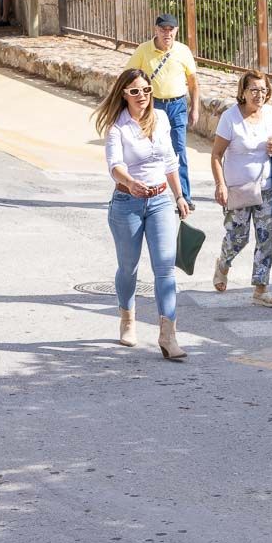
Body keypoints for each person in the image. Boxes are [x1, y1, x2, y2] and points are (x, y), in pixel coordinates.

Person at [93, 68, 191, 359]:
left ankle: (168, 335)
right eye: (135, 91)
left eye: (146, 90)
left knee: (165, 269)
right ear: (124, 94)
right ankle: (127, 319)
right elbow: (114, 165)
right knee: (129, 267)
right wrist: (130, 182)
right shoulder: (117, 127)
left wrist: (180, 195)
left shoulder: (160, 119)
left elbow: (171, 161)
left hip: (160, 199)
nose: (142, 96)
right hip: (127, 203)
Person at [210, 71, 272, 308]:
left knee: (266, 239)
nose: (259, 95)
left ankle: (260, 290)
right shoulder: (230, 118)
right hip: (238, 188)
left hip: (267, 187)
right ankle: (223, 263)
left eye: (263, 90)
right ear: (243, 92)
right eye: (253, 90)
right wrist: (220, 185)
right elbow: (216, 155)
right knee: (237, 237)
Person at [125, 14, 200, 209]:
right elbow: (128, 76)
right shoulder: (143, 50)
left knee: (178, 150)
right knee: (143, 149)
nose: (167, 33)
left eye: (171, 29)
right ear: (156, 30)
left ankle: (183, 196)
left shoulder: (183, 51)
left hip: (177, 105)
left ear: (176, 30)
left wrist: (195, 109)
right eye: (163, 29)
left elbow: (193, 83)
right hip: (153, 105)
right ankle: (135, 190)